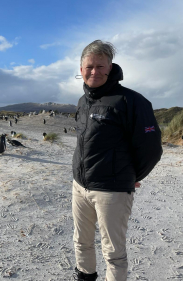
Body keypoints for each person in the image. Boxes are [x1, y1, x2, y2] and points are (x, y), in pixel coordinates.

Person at [72, 40, 162, 281]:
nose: (94, 72)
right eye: (89, 67)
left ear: (110, 68)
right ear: (81, 70)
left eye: (100, 66)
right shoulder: (82, 102)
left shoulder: (131, 101)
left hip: (112, 191)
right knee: (81, 242)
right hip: (80, 187)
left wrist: (131, 177)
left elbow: (151, 149)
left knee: (113, 253)